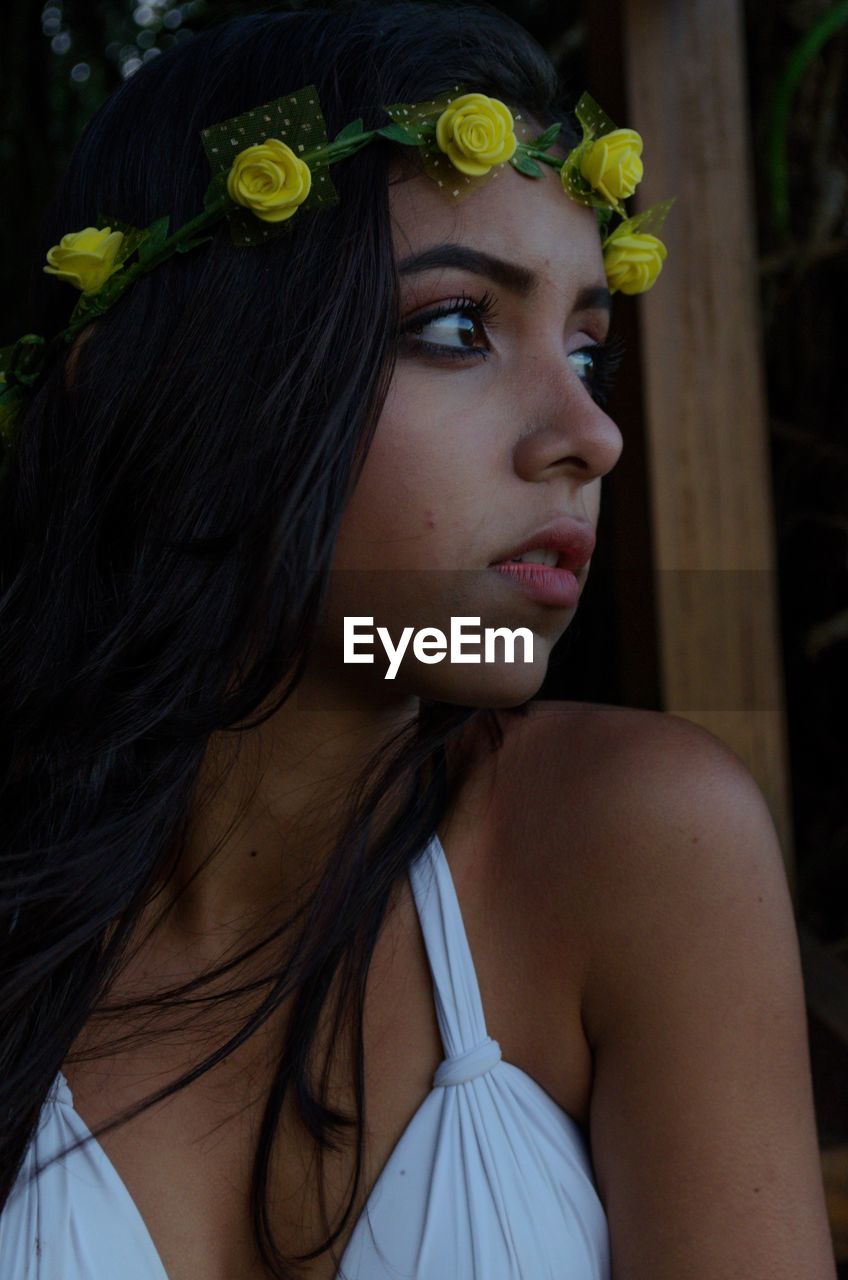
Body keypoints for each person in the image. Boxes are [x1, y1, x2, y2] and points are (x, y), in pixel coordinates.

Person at [0, 2, 836, 1278]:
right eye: (457, 325)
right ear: (168, 383)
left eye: (587, 350)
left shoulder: (626, 842)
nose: (588, 435)